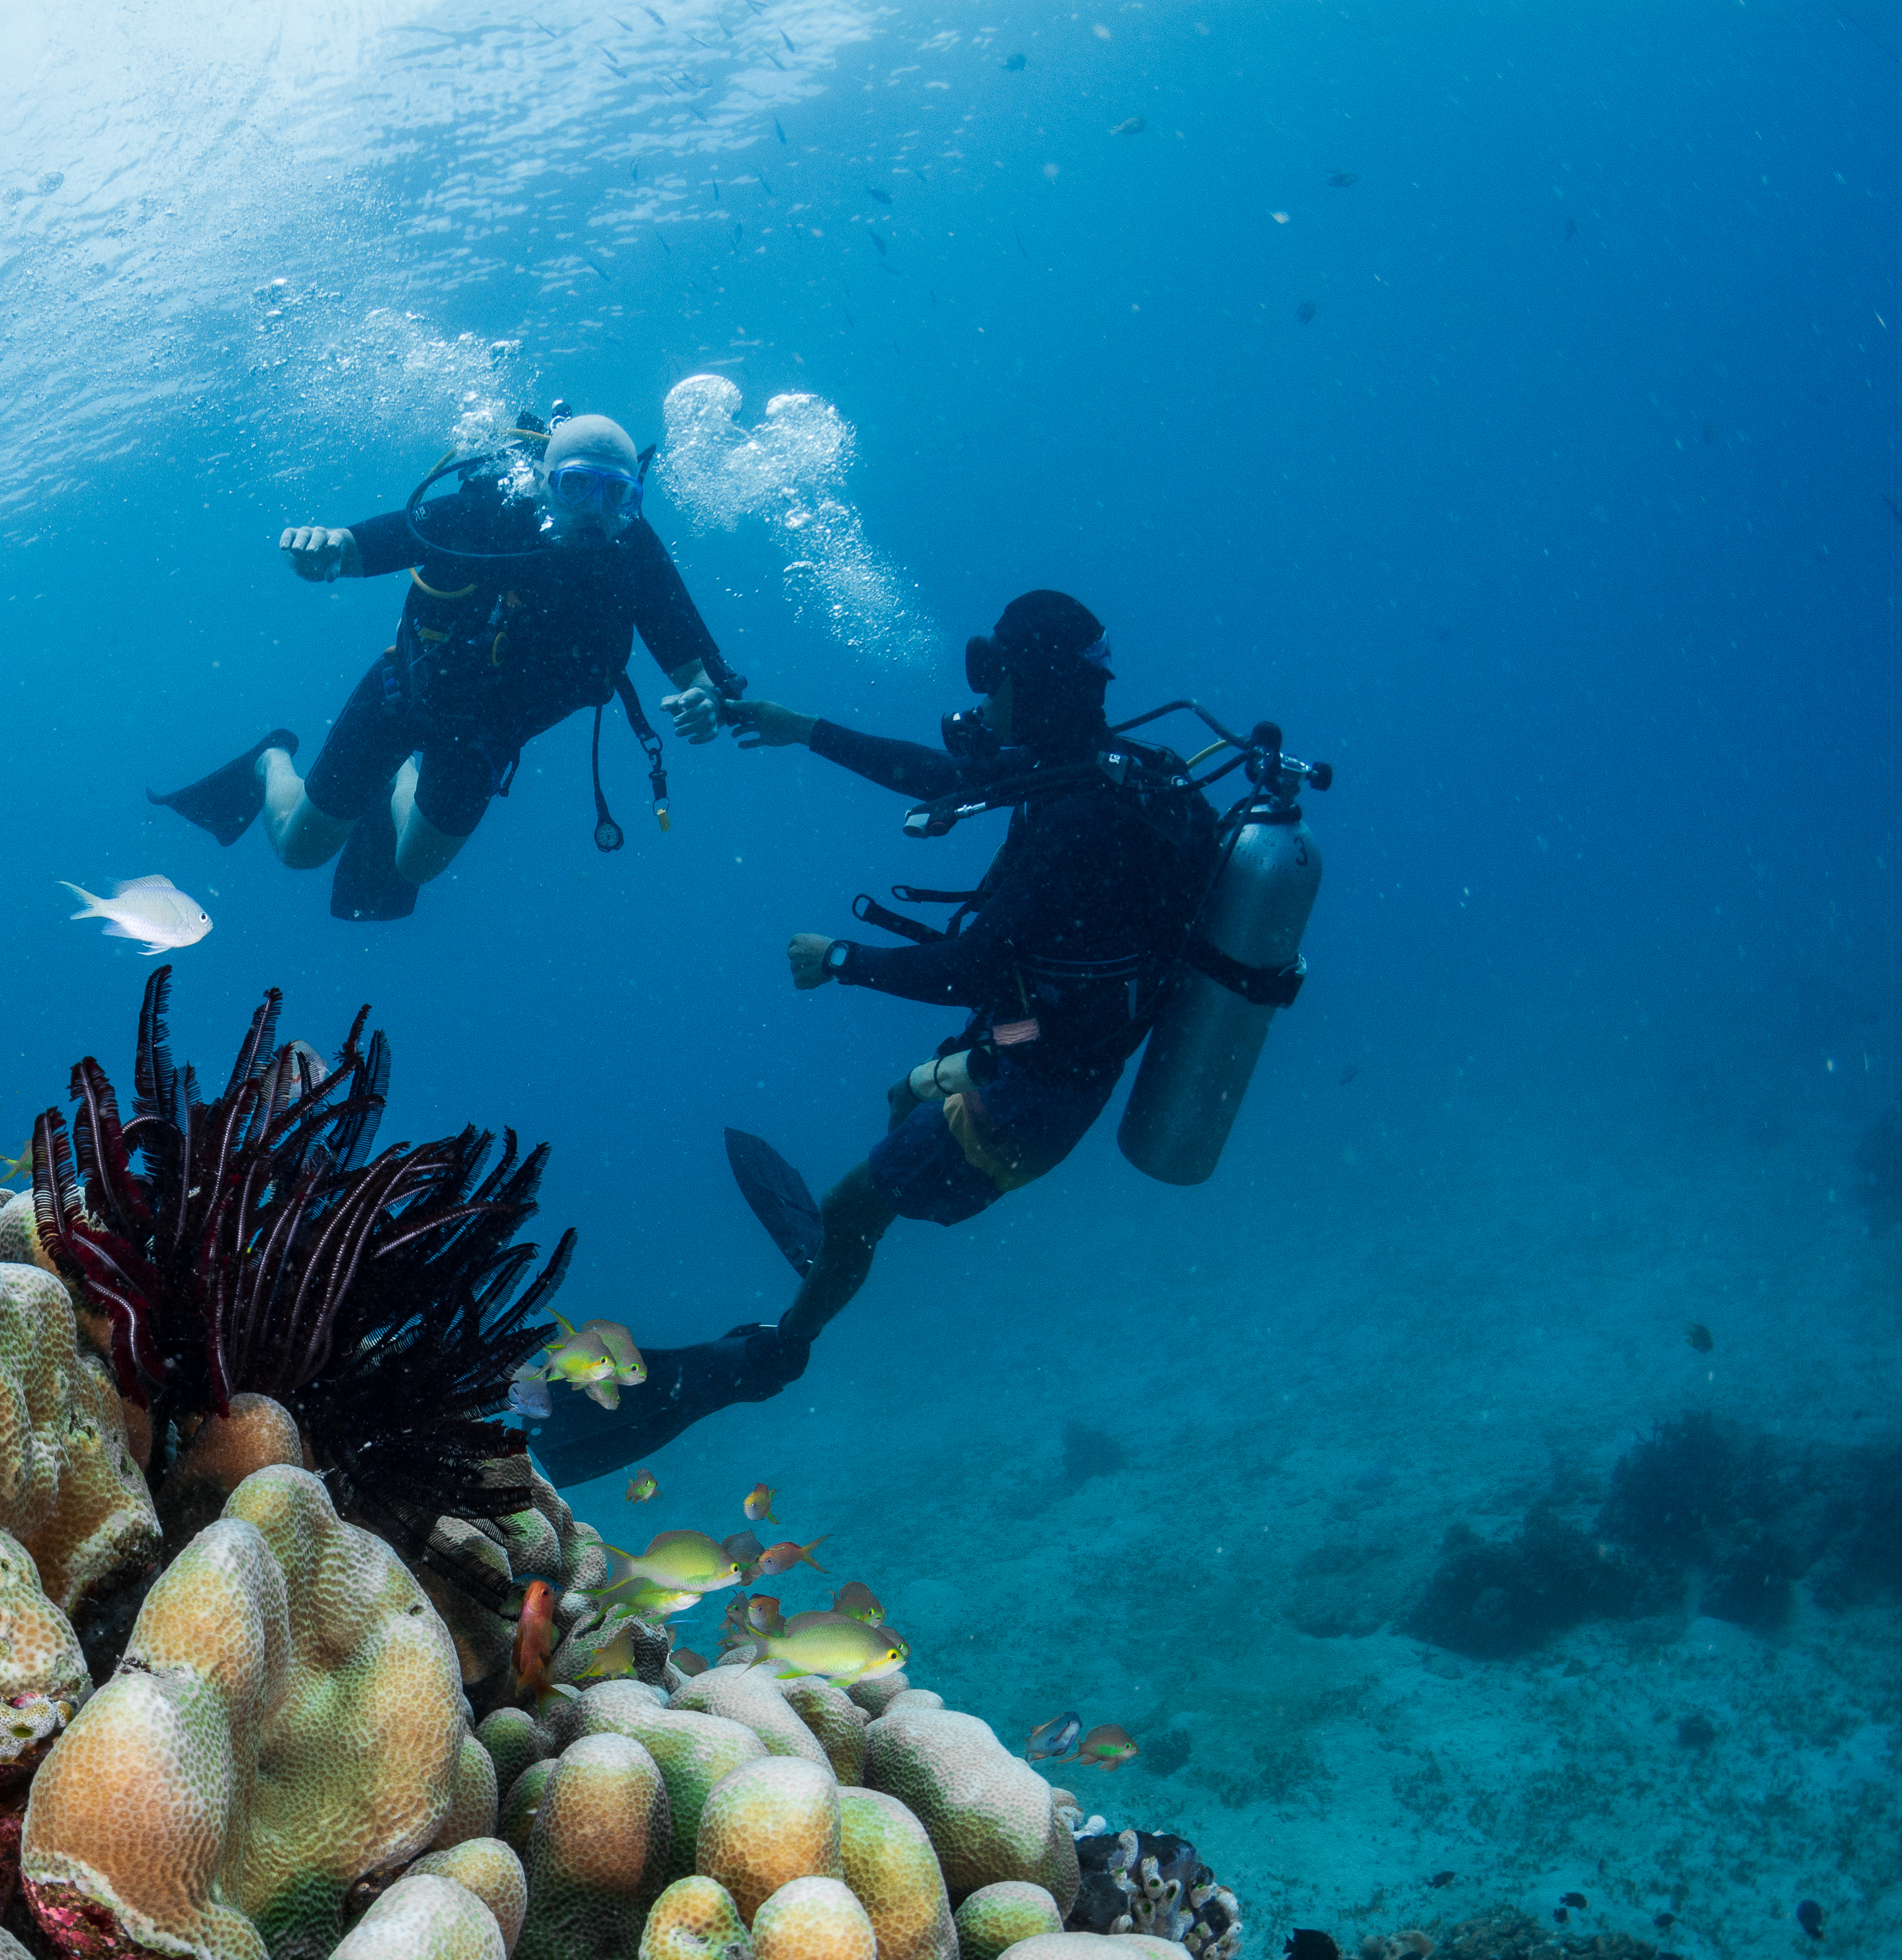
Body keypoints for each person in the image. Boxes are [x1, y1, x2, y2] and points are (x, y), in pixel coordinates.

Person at [532, 589, 1224, 1483]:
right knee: (907, 1090)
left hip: (1037, 1088)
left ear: (1033, 679)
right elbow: (947, 780)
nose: (982, 694)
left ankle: (781, 1347)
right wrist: (803, 727)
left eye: (992, 671)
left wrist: (841, 958)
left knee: (855, 1205)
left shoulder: (1076, 818)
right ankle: (863, 1221)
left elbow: (970, 969)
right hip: (1052, 1032)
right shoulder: (1110, 771)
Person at [149, 410, 748, 921]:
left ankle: (397, 777)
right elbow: (367, 545)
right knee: (300, 850)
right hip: (400, 695)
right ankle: (270, 758)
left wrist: (704, 700)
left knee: (413, 868)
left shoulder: (634, 556)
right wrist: (324, 548)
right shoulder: (488, 514)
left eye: (616, 494)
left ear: (634, 498)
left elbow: (697, 667)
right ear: (543, 482)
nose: (596, 511)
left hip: (484, 742)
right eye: (576, 486)